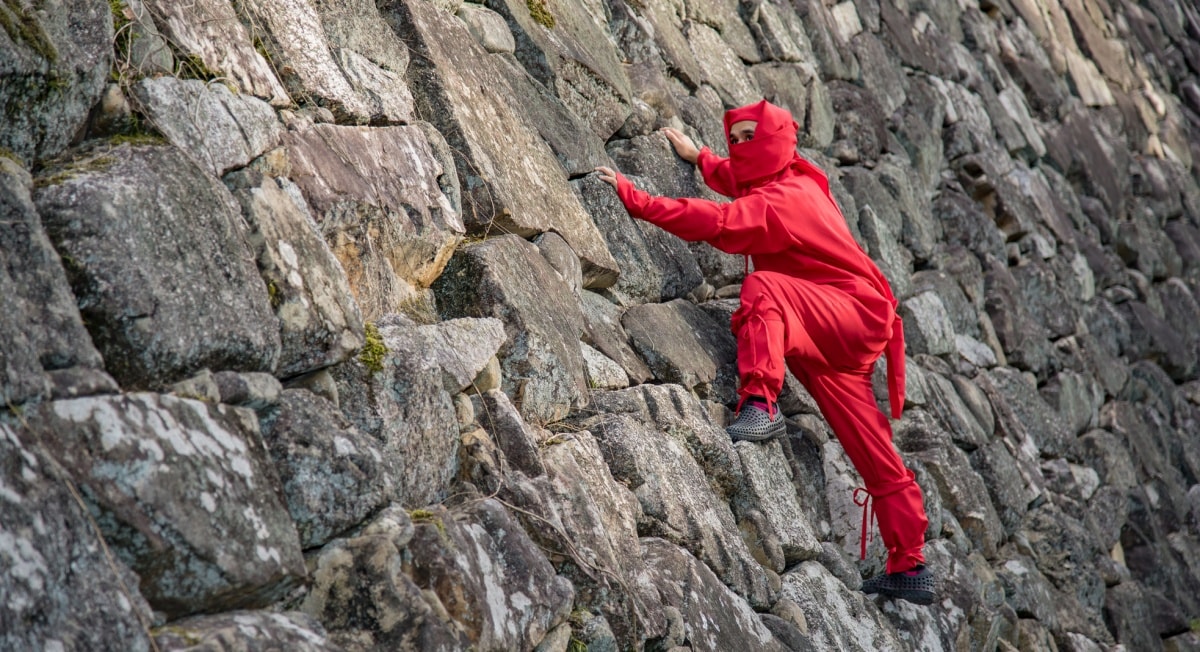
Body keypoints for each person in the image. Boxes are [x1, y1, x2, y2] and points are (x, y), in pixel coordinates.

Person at [594, 99, 934, 605]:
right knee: (872, 448)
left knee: (764, 289)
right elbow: (746, 180)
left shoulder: (786, 198)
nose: (743, 147)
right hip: (836, 325)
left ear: (776, 137)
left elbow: (722, 220)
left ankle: (761, 404)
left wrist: (638, 200)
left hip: (844, 315)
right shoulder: (793, 177)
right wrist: (703, 160)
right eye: (738, 138)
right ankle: (911, 567)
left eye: (753, 137)